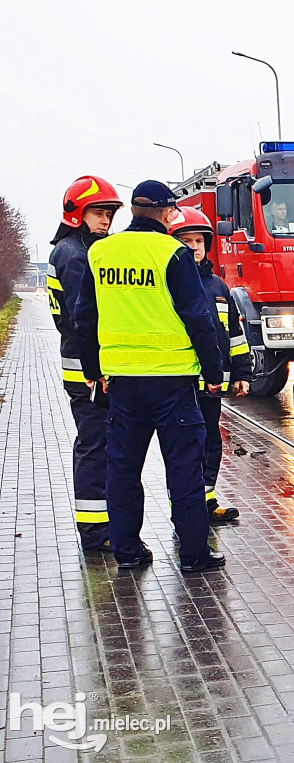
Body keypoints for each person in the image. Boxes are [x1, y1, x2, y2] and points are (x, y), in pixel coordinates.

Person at [74, 180, 226, 572]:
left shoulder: (101, 253)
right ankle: (193, 555)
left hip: (122, 382)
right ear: (168, 212)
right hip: (173, 382)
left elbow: (83, 318)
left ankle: (128, 552)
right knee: (184, 470)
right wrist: (213, 374)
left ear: (132, 210)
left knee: (122, 470)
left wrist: (94, 371)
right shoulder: (173, 253)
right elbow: (199, 318)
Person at [47, 176, 123, 552]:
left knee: (99, 444)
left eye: (109, 213)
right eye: (98, 213)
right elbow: (84, 318)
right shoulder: (76, 256)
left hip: (84, 368)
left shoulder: (68, 250)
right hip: (88, 371)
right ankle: (95, 532)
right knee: (95, 446)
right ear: (77, 213)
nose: (106, 221)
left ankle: (100, 524)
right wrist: (99, 371)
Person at [168, 207, 252, 521]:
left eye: (199, 240)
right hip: (182, 383)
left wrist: (242, 372)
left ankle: (207, 500)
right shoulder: (170, 286)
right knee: (186, 448)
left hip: (212, 386)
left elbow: (234, 334)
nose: (194, 246)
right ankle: (186, 506)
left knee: (211, 443)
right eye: (186, 240)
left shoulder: (219, 288)